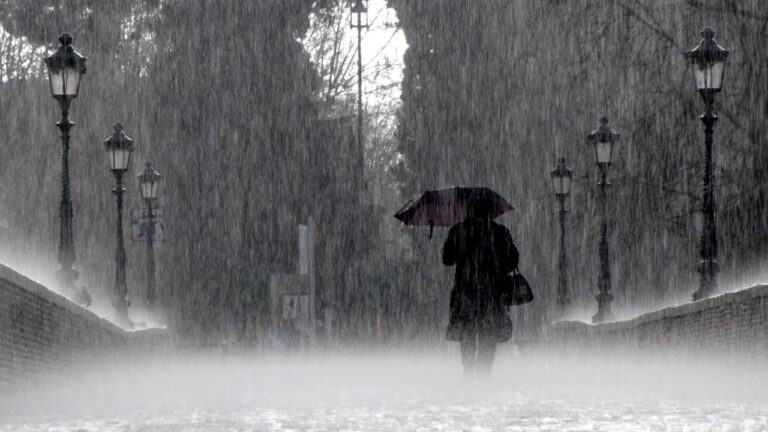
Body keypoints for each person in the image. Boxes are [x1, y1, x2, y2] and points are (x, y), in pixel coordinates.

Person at [442, 198, 519, 376]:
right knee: (488, 334)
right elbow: (512, 262)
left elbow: (447, 260)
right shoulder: (500, 232)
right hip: (492, 292)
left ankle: (468, 370)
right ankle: (484, 372)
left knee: (467, 333)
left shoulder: (458, 231)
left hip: (465, 291)